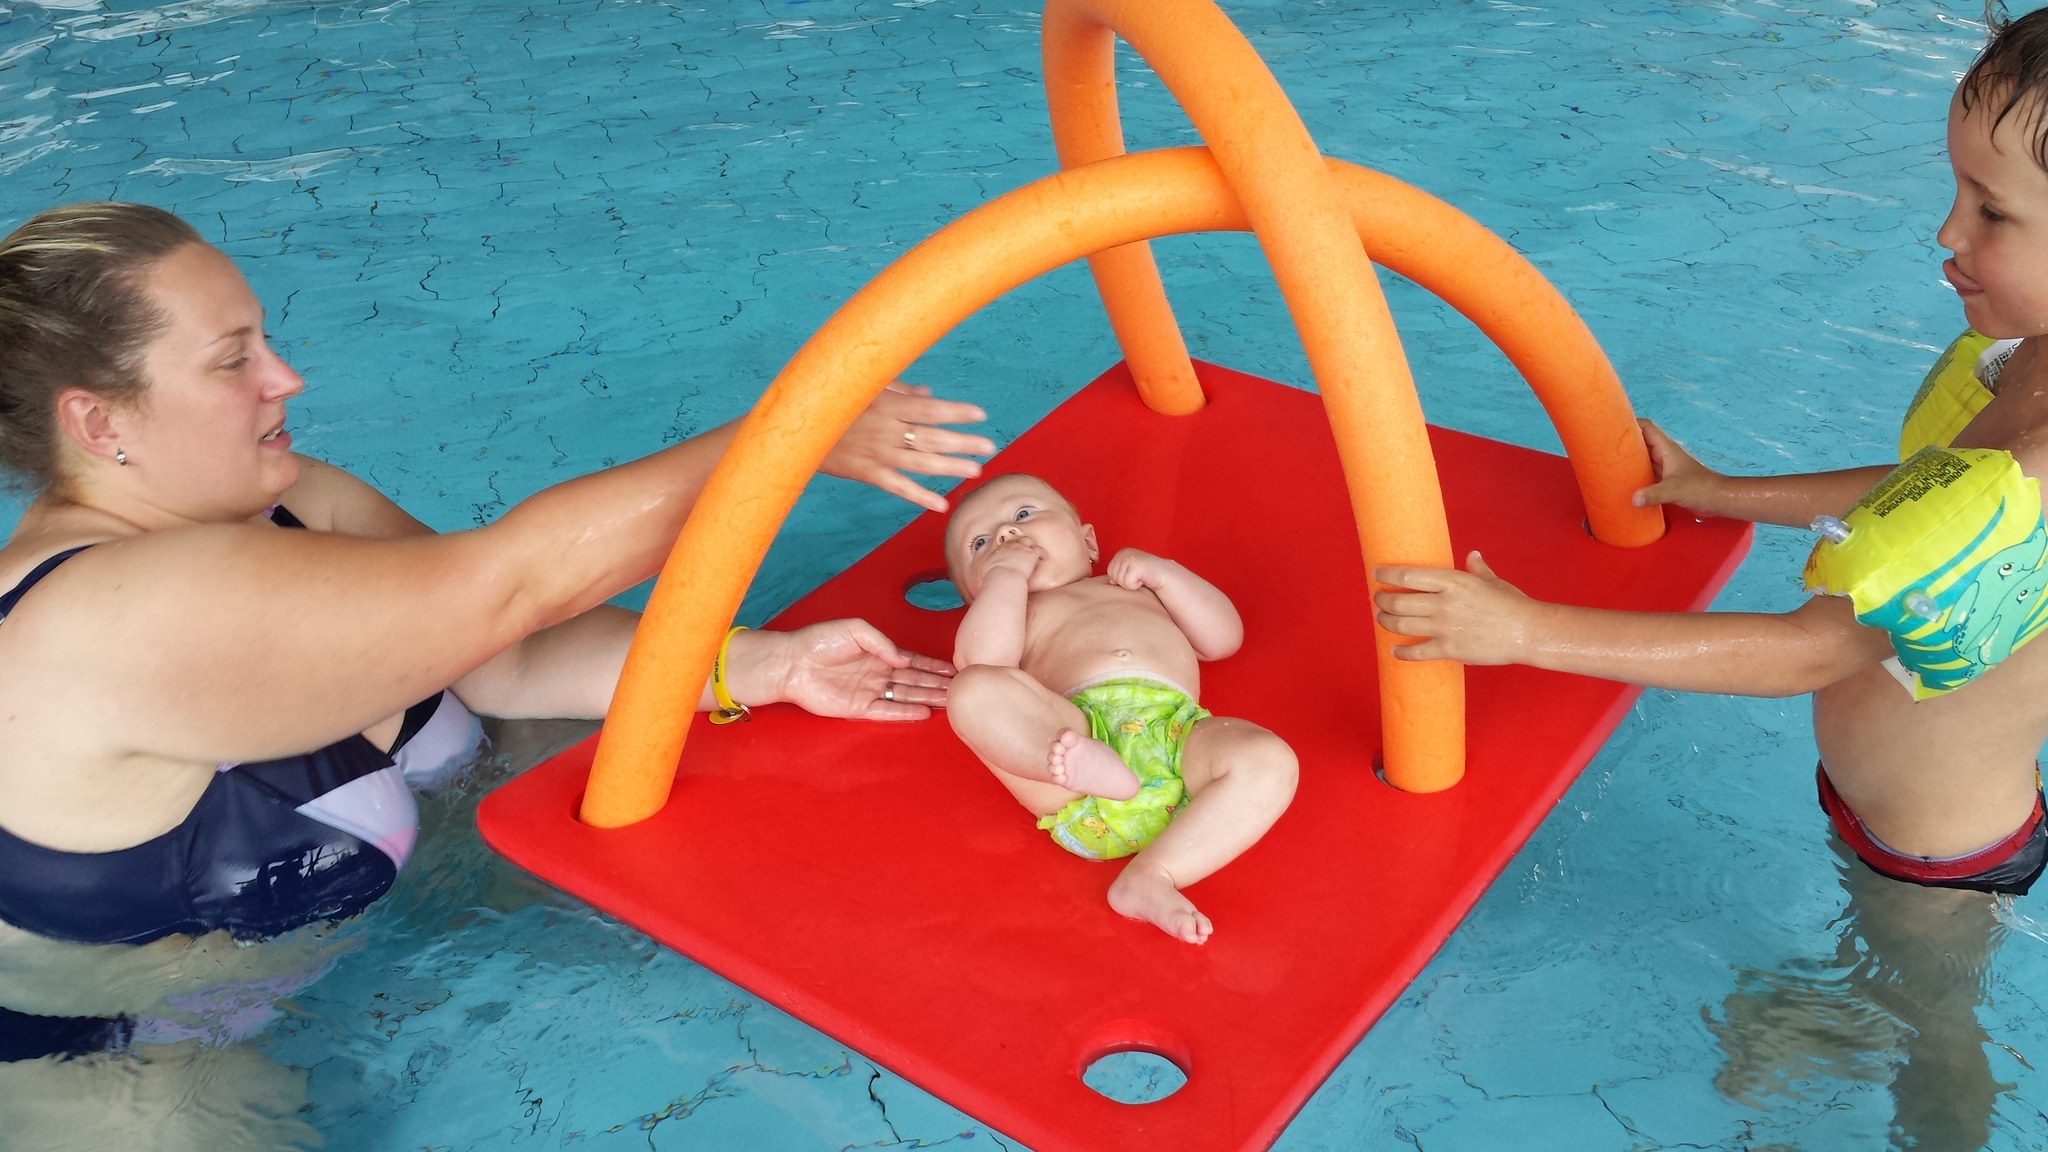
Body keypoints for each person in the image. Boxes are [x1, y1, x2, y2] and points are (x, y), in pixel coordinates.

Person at [0, 202, 995, 1044]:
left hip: (401, 924)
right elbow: (515, 585)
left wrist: (760, 666)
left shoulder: (297, 501)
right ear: (98, 424)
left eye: (266, 339)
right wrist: (792, 433)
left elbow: (504, 653)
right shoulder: (94, 622)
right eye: (233, 361)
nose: (285, 377)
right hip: (137, 1057)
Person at [1372, 10, 2048, 1143]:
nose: (1944, 230)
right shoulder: (2026, 363)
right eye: (1956, 190)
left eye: (1992, 211)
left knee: (1940, 1030)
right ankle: (1849, 1017)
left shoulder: (2040, 476)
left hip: (1939, 855)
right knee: (1883, 963)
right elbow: (1915, 488)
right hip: (1886, 808)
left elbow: (1807, 652)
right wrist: (1721, 490)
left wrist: (1525, 630)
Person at [943, 473, 1296, 943]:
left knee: (1270, 759)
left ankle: (1153, 874)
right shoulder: (1014, 617)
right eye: (981, 544)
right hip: (1071, 758)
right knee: (971, 688)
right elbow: (983, 662)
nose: (1007, 535)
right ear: (974, 597)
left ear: (1087, 541)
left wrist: (1167, 575)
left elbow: (1223, 639)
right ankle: (1092, 768)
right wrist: (1005, 581)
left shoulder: (1137, 588)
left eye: (1023, 514)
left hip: (1176, 740)